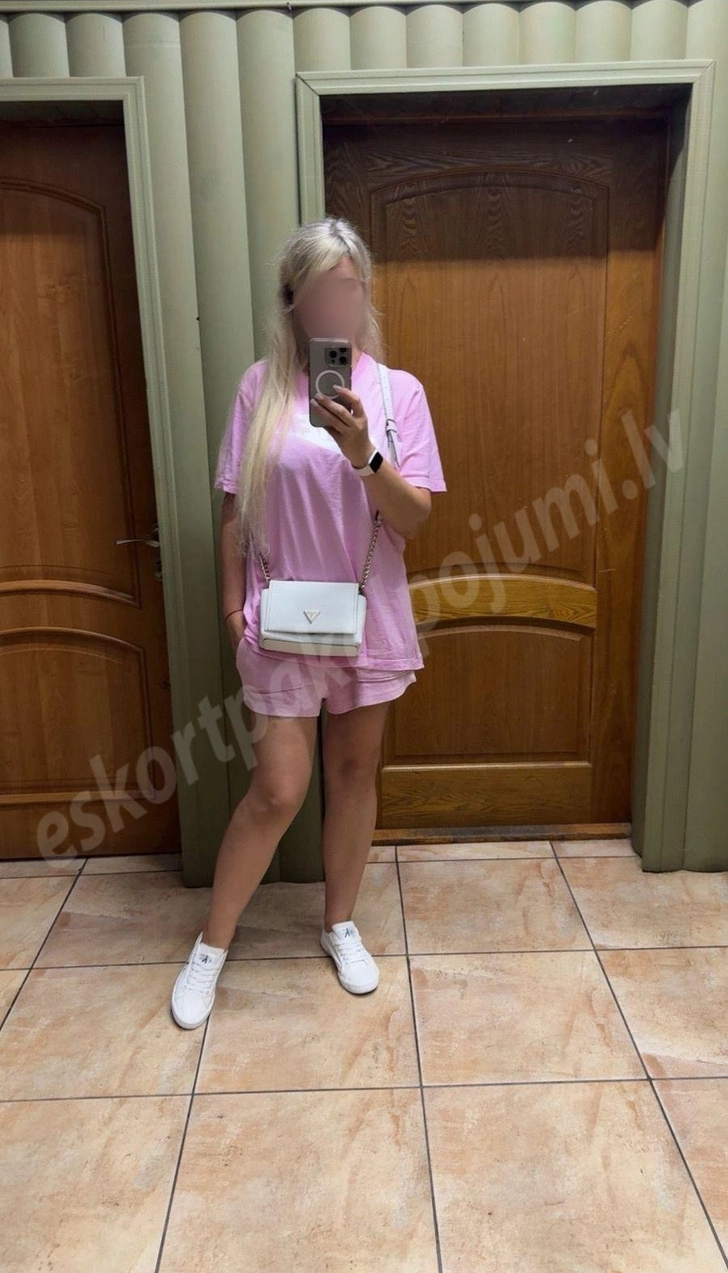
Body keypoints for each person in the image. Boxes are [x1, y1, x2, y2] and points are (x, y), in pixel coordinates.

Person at [171, 215, 447, 1029]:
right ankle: (212, 945)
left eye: (349, 288)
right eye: (321, 290)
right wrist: (231, 609)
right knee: (278, 790)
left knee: (354, 778)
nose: (337, 304)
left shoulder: (397, 394)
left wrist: (364, 451)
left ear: (363, 296)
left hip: (369, 618)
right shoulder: (260, 390)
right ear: (292, 300)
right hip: (280, 621)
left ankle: (339, 923)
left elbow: (415, 518)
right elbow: (233, 511)